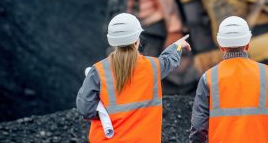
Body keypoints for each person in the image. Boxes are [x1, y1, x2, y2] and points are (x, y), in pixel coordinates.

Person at [76, 13, 191, 142]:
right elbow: (169, 60)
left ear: (112, 41)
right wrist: (178, 45)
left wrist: (106, 113)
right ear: (137, 40)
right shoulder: (153, 67)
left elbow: (85, 109)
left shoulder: (98, 71)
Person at [189, 16, 268, 143]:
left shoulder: (209, 78)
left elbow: (198, 125)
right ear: (248, 45)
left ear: (221, 47)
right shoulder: (265, 73)